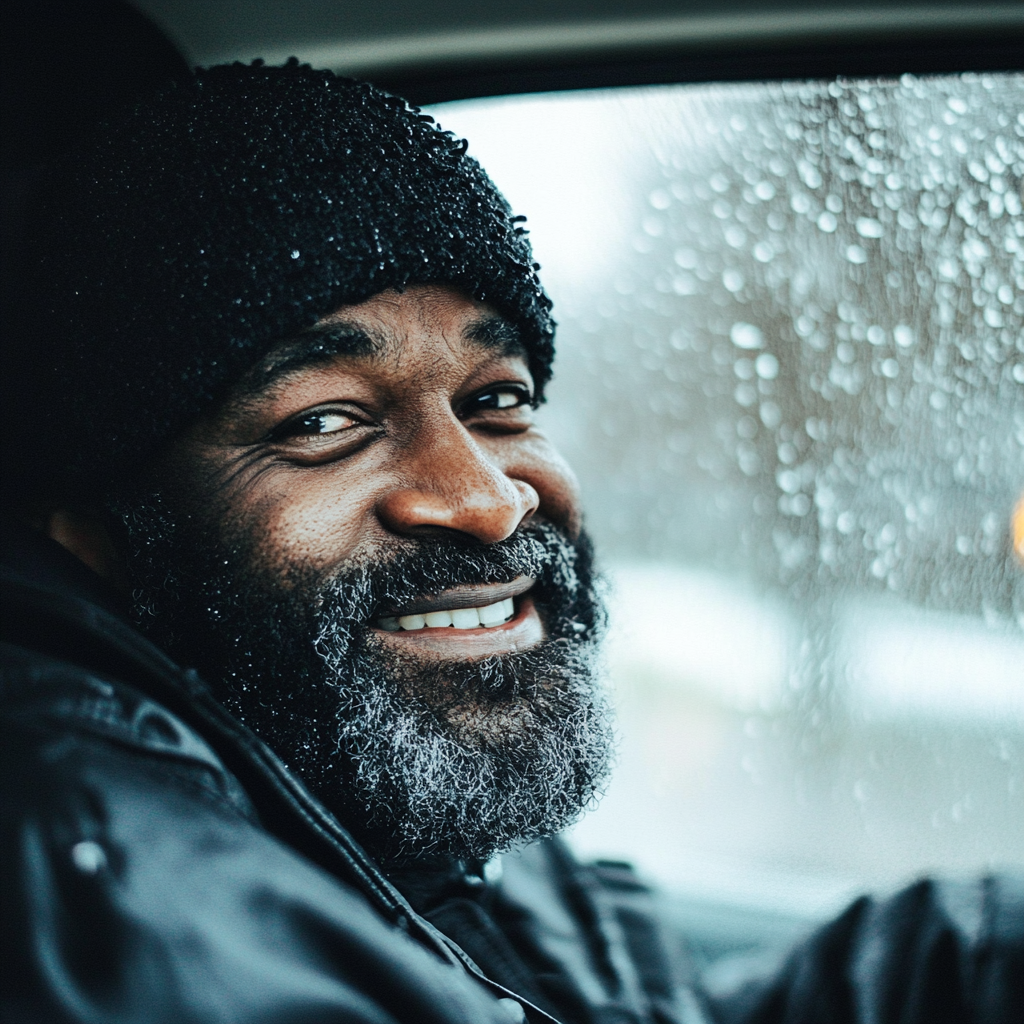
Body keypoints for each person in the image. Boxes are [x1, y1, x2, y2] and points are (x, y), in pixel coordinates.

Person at [1, 61, 1020, 1024]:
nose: (486, 500)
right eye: (324, 421)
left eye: (496, 400)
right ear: (89, 533)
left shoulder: (372, 775)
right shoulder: (134, 915)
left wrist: (983, 948)